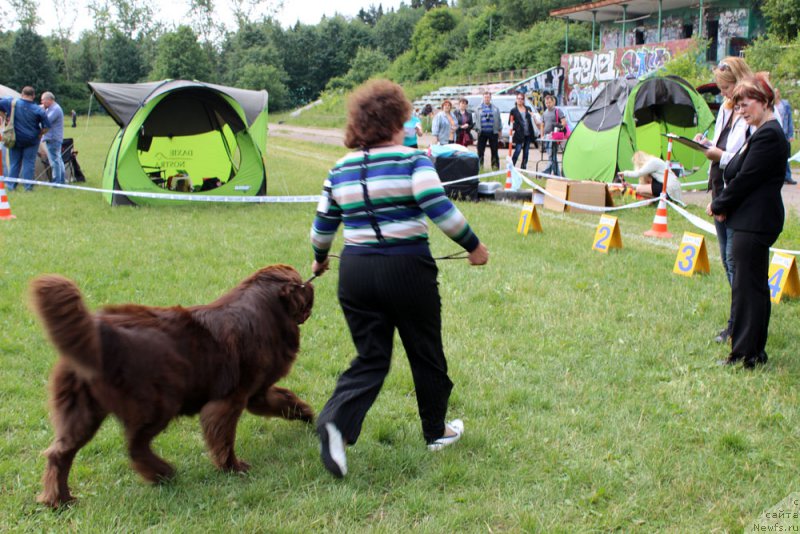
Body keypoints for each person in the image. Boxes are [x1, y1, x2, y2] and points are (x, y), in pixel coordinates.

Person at [310, 79, 489, 478]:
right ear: (396, 121)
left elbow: (322, 228)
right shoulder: (413, 161)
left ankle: (336, 422)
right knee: (425, 352)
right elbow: (437, 206)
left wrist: (320, 260)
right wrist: (473, 246)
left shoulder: (339, 169)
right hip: (407, 269)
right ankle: (436, 431)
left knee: (371, 357)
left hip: (355, 272)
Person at [708, 74, 789, 369]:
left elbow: (745, 178)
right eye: (738, 105)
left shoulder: (769, 135)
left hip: (755, 221)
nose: (741, 111)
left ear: (765, 101)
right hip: (750, 219)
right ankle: (752, 351)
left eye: (746, 104)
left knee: (747, 289)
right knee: (751, 288)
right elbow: (737, 168)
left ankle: (745, 354)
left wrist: (719, 204)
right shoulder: (760, 133)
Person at [695, 56, 753, 344]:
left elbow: (745, 159)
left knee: (735, 263)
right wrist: (707, 145)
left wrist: (719, 155)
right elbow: (721, 146)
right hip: (719, 192)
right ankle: (737, 320)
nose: (723, 94)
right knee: (727, 262)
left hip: (735, 197)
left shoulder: (749, 116)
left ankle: (739, 323)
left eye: (726, 88)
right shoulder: (726, 110)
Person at [0, 86, 50, 192]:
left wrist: (5, 116)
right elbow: (47, 127)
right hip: (31, 140)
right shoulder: (38, 109)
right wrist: (40, 134)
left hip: (15, 139)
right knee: (29, 163)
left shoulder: (11, 103)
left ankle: (11, 186)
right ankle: (28, 187)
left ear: (22, 94)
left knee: (14, 163)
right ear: (33, 96)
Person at [618, 151, 683, 204]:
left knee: (639, 189)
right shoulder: (655, 164)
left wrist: (624, 173)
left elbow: (637, 174)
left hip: (669, 188)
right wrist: (632, 186)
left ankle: (658, 201)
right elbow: (645, 186)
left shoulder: (653, 162)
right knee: (639, 190)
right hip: (671, 188)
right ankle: (658, 201)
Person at [537, 94, 567, 176]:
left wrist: (558, 128)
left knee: (551, 156)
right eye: (546, 103)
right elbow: (542, 125)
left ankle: (546, 173)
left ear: (553, 102)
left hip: (554, 138)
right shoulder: (544, 113)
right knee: (552, 157)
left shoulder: (558, 111)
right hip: (547, 137)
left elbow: (564, 122)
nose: (548, 104)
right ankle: (556, 174)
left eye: (549, 102)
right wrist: (542, 136)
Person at [509, 92, 539, 169]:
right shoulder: (513, 110)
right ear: (516, 100)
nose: (520, 100)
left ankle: (523, 167)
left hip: (528, 133)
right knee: (518, 150)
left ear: (523, 100)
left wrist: (533, 117)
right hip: (519, 134)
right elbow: (510, 123)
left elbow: (532, 117)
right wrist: (516, 127)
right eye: (518, 99)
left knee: (526, 152)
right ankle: (512, 166)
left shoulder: (528, 108)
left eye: (521, 99)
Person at [41, 92, 65, 185]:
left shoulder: (55, 109)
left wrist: (42, 111)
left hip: (53, 138)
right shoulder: (52, 108)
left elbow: (46, 121)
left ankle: (57, 181)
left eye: (43, 100)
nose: (42, 102)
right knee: (58, 159)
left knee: (54, 161)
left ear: (49, 100)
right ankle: (61, 180)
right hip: (54, 138)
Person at [774, 88, 796, 185]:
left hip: (785, 133)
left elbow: (789, 120)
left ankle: (787, 176)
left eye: (776, 93)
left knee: (786, 156)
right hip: (775, 133)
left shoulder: (785, 104)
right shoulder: (771, 105)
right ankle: (778, 176)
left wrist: (791, 134)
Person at [475, 91, 501, 170]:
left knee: (494, 151)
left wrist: (499, 130)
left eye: (488, 97)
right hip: (482, 133)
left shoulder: (495, 108)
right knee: (480, 151)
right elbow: (475, 120)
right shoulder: (478, 108)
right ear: (483, 98)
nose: (487, 99)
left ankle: (495, 167)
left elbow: (499, 120)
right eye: (485, 97)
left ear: (490, 98)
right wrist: (477, 129)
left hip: (493, 132)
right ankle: (480, 167)